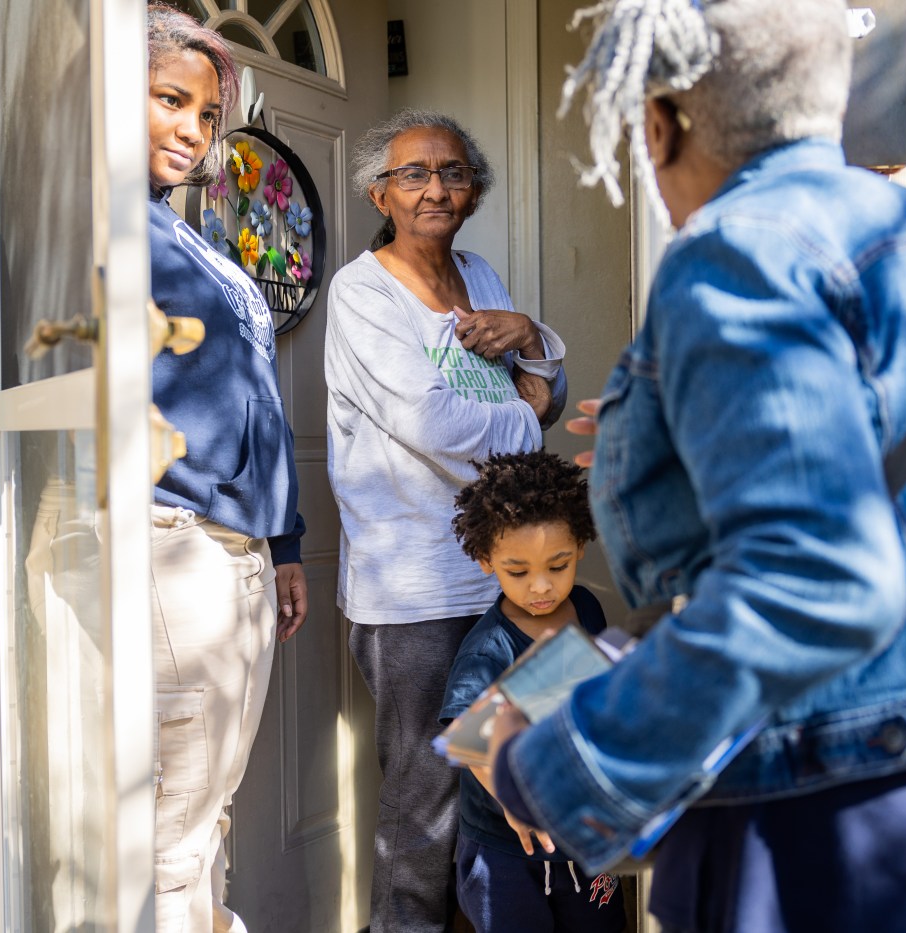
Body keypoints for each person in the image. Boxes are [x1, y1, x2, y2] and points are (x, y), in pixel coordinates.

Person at [483, 1, 906, 931]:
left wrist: (573, 756)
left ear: (662, 123)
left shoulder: (738, 252)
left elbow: (815, 574)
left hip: (845, 811)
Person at [323, 109, 569, 932]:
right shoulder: (362, 291)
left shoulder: (482, 274)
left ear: (473, 192)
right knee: (423, 799)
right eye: (415, 174)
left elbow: (541, 390)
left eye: (454, 173)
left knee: (501, 770)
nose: (437, 187)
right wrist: (528, 416)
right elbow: (434, 425)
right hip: (416, 587)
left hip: (503, 578)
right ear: (379, 193)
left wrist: (532, 338)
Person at [144, 6, 308, 931]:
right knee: (176, 834)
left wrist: (284, 542)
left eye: (206, 115)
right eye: (171, 100)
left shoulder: (187, 235)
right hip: (176, 546)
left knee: (212, 819)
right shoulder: (99, 227)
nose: (192, 131)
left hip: (239, 550)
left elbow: (259, 400)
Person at [440, 451, 626, 933]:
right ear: (486, 561)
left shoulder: (585, 608)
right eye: (518, 572)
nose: (541, 587)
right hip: (507, 851)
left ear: (581, 547)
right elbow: (468, 736)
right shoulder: (489, 649)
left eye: (558, 565)